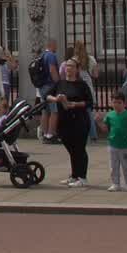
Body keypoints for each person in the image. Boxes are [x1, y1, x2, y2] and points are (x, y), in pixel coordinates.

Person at [49, 57, 94, 185]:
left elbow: (89, 102)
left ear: (77, 69)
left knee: (79, 149)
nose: (68, 68)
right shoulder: (60, 83)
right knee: (71, 149)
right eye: (67, 66)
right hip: (64, 121)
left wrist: (75, 104)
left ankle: (82, 177)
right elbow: (47, 95)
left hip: (79, 120)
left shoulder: (82, 85)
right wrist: (56, 99)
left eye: (71, 66)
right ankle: (74, 175)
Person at [100, 93, 127, 191]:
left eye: (119, 102)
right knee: (113, 166)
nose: (116, 105)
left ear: (124, 104)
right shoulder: (110, 115)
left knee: (126, 166)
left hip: (125, 146)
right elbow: (105, 129)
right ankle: (115, 183)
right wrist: (99, 122)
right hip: (113, 145)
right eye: (114, 102)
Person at [36, 40, 61, 141]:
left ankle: (44, 133)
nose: (57, 48)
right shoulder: (51, 55)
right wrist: (58, 83)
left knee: (45, 111)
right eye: (56, 46)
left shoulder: (42, 55)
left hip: (42, 86)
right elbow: (52, 70)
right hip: (50, 86)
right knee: (54, 111)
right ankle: (51, 134)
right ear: (52, 45)